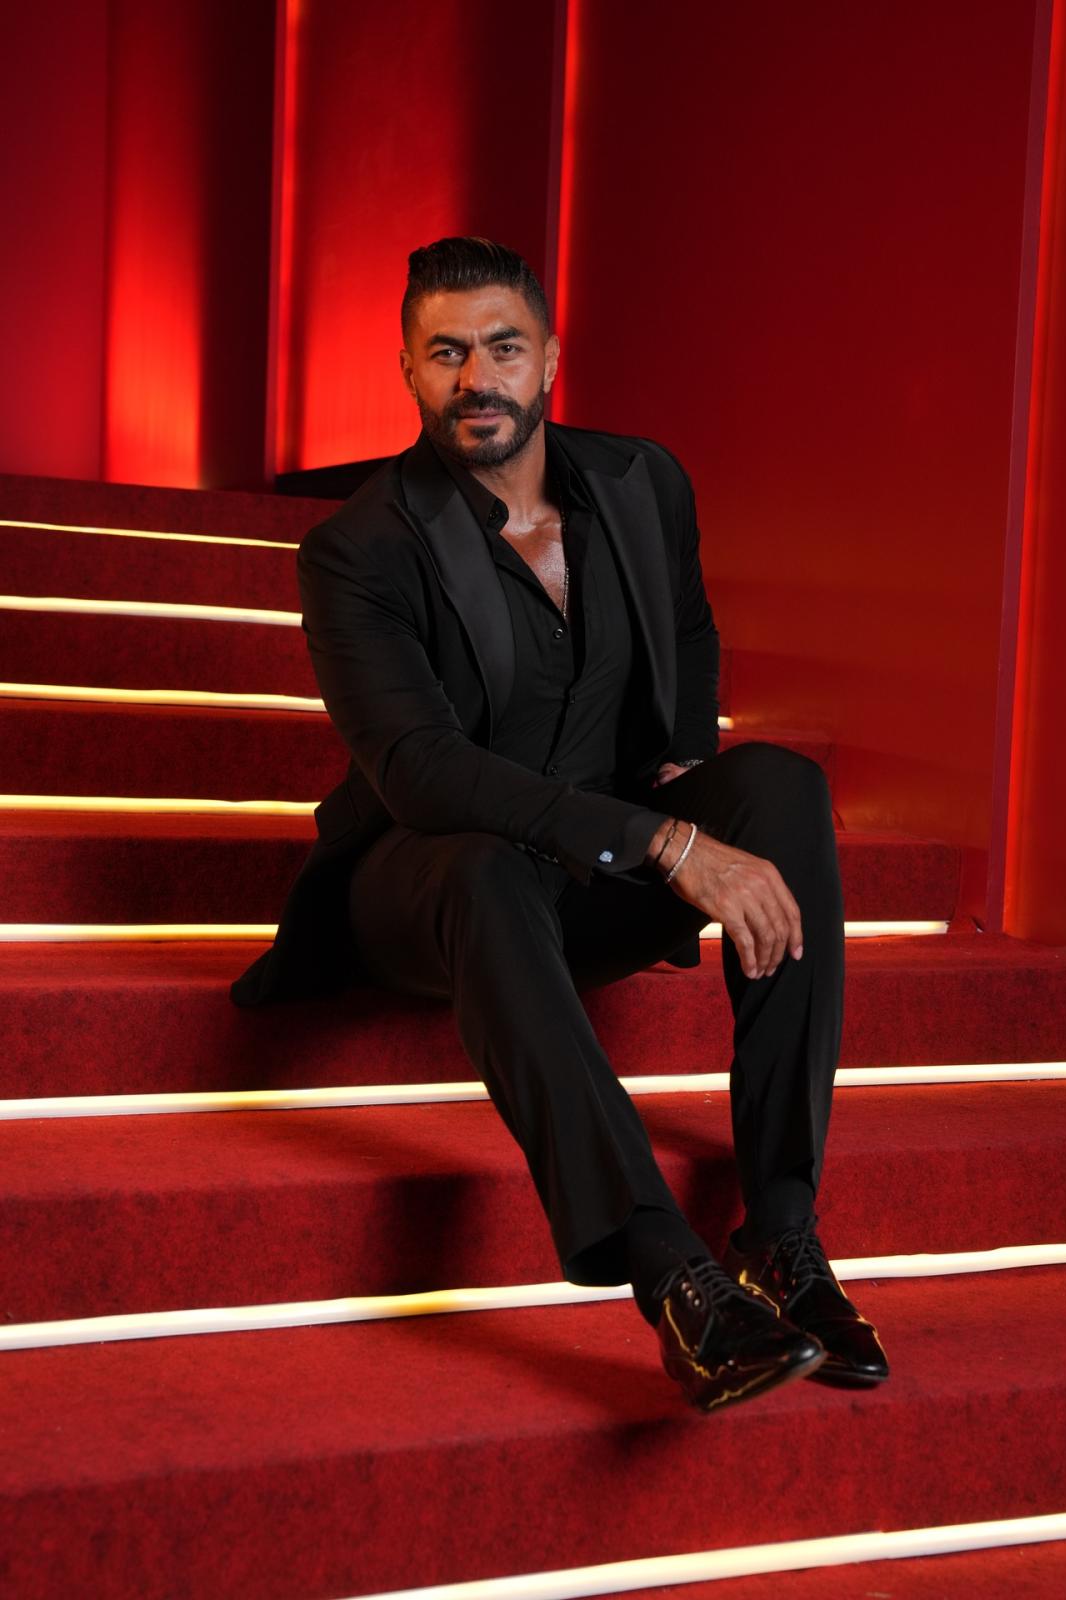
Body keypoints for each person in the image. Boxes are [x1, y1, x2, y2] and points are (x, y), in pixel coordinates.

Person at [232, 236, 887, 1411]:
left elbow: (686, 629)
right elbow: (424, 773)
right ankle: (673, 1276)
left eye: (502, 347)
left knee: (782, 789)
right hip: (429, 882)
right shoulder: (358, 549)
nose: (475, 378)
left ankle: (781, 1233)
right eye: (445, 353)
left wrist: (685, 756)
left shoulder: (642, 482)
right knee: (482, 867)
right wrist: (667, 842)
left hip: (589, 869)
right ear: (408, 370)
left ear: (547, 359)